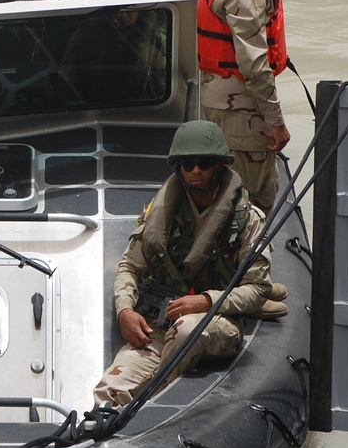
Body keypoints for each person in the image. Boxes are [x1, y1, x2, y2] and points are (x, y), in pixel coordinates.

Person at [92, 121, 287, 410]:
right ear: (178, 166)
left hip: (217, 321)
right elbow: (130, 267)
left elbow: (257, 289)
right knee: (111, 387)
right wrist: (125, 310)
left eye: (204, 163)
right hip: (160, 319)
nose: (196, 171)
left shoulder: (248, 219)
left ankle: (150, 406)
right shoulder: (161, 212)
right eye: (187, 163)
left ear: (219, 166)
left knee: (187, 329)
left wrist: (207, 300)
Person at [190, 0, 291, 214]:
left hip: (214, 98)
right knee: (251, 201)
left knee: (223, 187)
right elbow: (255, 65)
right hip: (243, 112)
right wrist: (275, 121)